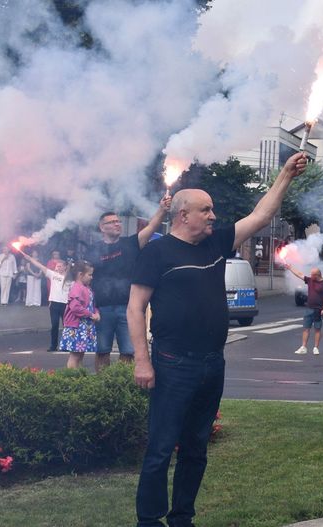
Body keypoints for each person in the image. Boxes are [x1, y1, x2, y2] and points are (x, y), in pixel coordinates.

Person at [128, 152, 307, 527]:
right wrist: (142, 362)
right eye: (206, 210)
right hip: (173, 362)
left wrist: (285, 176)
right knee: (161, 448)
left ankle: (182, 518)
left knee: (196, 448)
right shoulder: (157, 252)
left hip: (212, 363)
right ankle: (149, 520)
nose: (213, 216)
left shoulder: (216, 243)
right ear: (183, 215)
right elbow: (135, 308)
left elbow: (261, 216)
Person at [88, 195, 171, 370]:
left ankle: (121, 384)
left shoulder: (131, 243)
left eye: (118, 221)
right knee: (102, 350)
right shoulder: (93, 250)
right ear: (102, 227)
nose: (117, 224)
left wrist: (162, 210)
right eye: (112, 222)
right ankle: (102, 386)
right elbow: (85, 279)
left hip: (128, 308)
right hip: (101, 308)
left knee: (128, 351)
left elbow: (151, 227)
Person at [22, 250, 69, 352]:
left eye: (60, 266)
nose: (58, 267)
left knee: (66, 325)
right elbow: (40, 266)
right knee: (55, 325)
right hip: (54, 303)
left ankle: (66, 345)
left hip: (65, 304)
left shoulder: (69, 279)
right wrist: (30, 259)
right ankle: (53, 345)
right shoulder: (52, 275)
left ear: (65, 267)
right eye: (57, 266)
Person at [285, 263, 323, 355]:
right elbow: (299, 274)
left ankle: (316, 348)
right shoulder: (310, 280)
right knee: (306, 328)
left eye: (312, 275)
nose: (310, 276)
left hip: (319, 310)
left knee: (317, 329)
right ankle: (303, 347)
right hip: (309, 308)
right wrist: (290, 268)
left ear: (317, 275)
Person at [61, 260, 100, 368]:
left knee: (80, 354)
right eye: (90, 275)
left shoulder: (86, 288)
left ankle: (78, 377)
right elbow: (75, 307)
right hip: (76, 327)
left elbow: (92, 304)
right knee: (75, 356)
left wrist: (96, 312)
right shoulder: (76, 287)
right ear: (80, 274)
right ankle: (71, 378)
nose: (92, 277)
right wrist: (92, 315)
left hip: (84, 326)